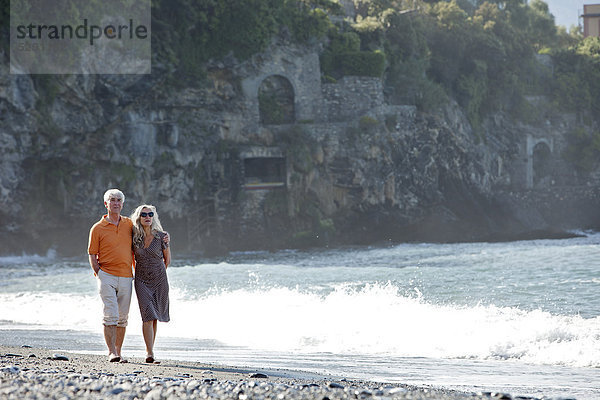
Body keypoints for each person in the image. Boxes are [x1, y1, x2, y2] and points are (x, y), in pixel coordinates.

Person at [87, 189, 134, 363]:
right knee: (110, 314)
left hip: (127, 276)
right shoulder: (97, 228)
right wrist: (98, 272)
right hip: (106, 275)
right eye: (112, 200)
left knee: (122, 318)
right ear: (106, 204)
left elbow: (145, 233)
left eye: (118, 200)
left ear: (122, 204)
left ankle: (119, 352)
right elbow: (92, 254)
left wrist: (163, 238)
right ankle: (111, 351)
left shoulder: (129, 224)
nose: (116, 203)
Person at [130, 204, 171, 364]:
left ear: (154, 217)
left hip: (159, 279)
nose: (147, 217)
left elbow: (167, 259)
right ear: (139, 218)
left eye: (150, 214)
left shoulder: (162, 236)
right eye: (144, 214)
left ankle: (150, 351)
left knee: (154, 317)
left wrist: (157, 271)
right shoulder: (134, 236)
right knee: (147, 315)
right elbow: (130, 257)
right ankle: (150, 352)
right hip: (141, 280)